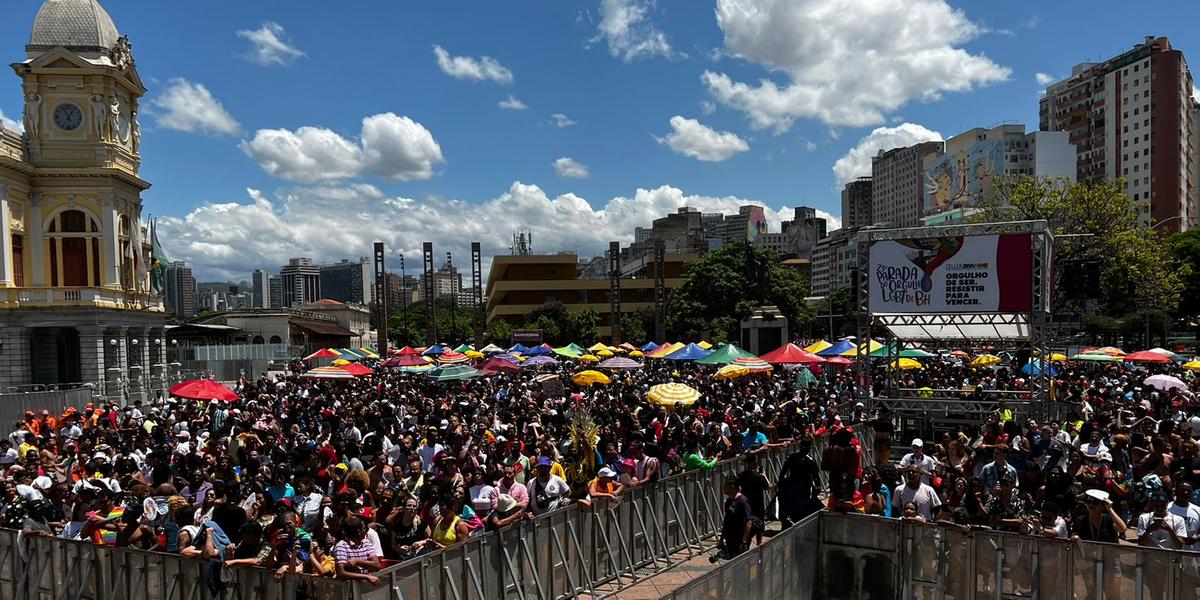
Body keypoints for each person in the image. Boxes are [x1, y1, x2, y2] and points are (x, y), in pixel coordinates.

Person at [333, 517, 381, 586]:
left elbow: (377, 565)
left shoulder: (366, 543)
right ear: (359, 531)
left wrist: (357, 562)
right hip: (350, 590)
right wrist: (366, 577)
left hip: (365, 587)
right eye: (364, 528)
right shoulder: (341, 546)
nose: (366, 530)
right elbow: (341, 573)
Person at [719, 478, 757, 559]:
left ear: (732, 487)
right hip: (730, 538)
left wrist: (744, 542)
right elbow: (726, 520)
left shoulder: (743, 501)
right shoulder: (729, 501)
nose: (724, 488)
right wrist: (721, 538)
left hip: (739, 539)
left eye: (726, 486)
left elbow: (748, 522)